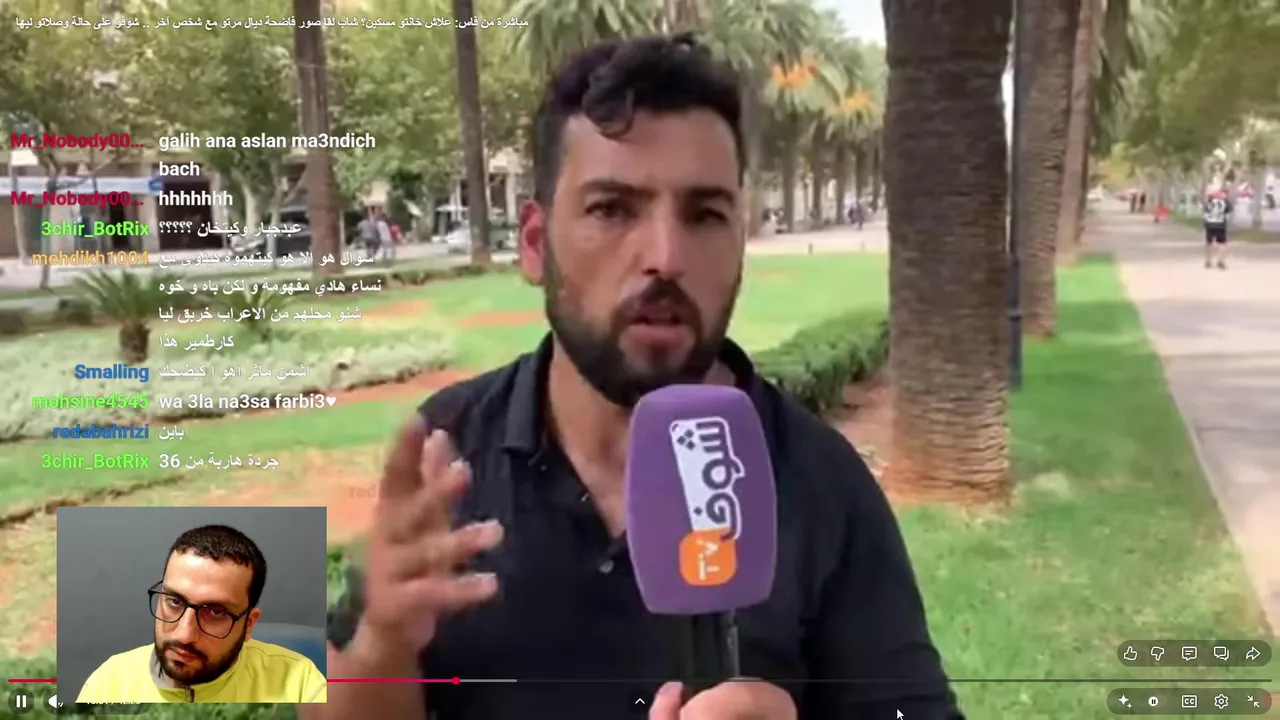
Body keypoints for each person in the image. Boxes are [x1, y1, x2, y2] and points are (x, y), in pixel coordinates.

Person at [308, 34, 961, 720]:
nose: (666, 256)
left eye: (704, 214)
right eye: (613, 209)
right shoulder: (450, 450)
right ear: (535, 244)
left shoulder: (823, 482)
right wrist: (382, 644)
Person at [77, 525, 327, 704]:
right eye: (174, 601)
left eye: (215, 612)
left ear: (248, 624)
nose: (184, 635)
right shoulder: (109, 681)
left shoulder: (300, 684)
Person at [1202, 188, 1233, 269]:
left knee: (1209, 243)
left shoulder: (1208, 203)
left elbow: (1205, 214)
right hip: (1221, 225)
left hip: (1210, 224)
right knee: (1222, 243)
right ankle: (1220, 261)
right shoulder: (1224, 202)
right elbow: (1230, 210)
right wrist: (1225, 199)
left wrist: (1204, 224)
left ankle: (1208, 261)